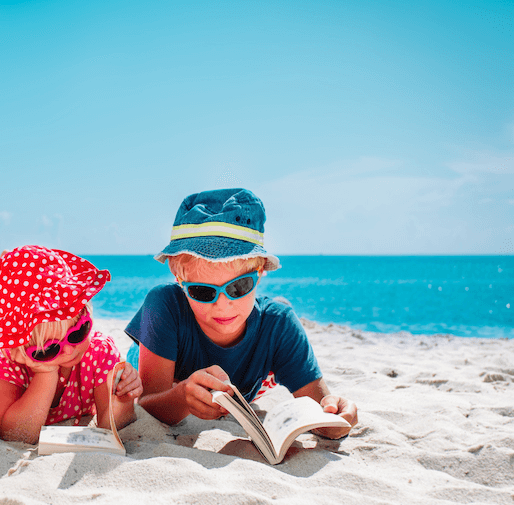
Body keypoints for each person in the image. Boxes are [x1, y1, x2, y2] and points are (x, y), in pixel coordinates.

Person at [126, 188, 357, 439]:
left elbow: (322, 407)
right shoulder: (164, 306)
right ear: (180, 281)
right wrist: (182, 398)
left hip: (250, 371)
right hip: (155, 360)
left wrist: (337, 416)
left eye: (239, 287)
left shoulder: (280, 324)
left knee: (278, 312)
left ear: (259, 272)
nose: (223, 305)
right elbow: (147, 403)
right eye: (203, 292)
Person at [0, 245, 142, 444]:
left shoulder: (99, 352)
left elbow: (110, 428)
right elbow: (14, 436)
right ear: (18, 349)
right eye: (48, 349)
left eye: (78, 332)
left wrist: (123, 400)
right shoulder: (5, 366)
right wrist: (45, 373)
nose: (69, 349)